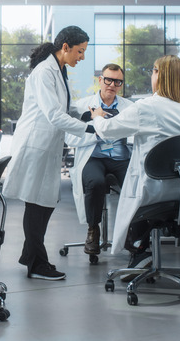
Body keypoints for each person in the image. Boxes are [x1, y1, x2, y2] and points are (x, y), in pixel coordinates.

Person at [89, 54, 180, 261]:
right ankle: (142, 251)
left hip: (150, 191)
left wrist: (97, 117)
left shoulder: (146, 107)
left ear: (159, 75)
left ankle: (140, 252)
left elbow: (108, 131)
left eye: (153, 71)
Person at [3, 25, 93, 281]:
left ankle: (30, 254)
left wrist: (88, 114)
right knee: (37, 203)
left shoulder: (59, 69)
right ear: (65, 47)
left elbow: (63, 106)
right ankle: (36, 263)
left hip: (46, 145)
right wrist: (89, 128)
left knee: (45, 202)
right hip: (35, 144)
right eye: (80, 51)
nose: (82, 57)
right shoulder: (45, 72)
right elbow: (54, 114)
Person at [64, 63, 133, 255]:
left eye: (117, 81)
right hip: (93, 157)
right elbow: (69, 137)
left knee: (135, 183)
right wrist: (98, 129)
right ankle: (93, 230)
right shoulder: (81, 106)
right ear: (100, 80)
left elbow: (137, 133)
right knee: (96, 182)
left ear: (121, 84)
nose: (112, 84)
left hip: (121, 157)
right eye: (108, 80)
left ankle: (131, 231)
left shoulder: (129, 108)